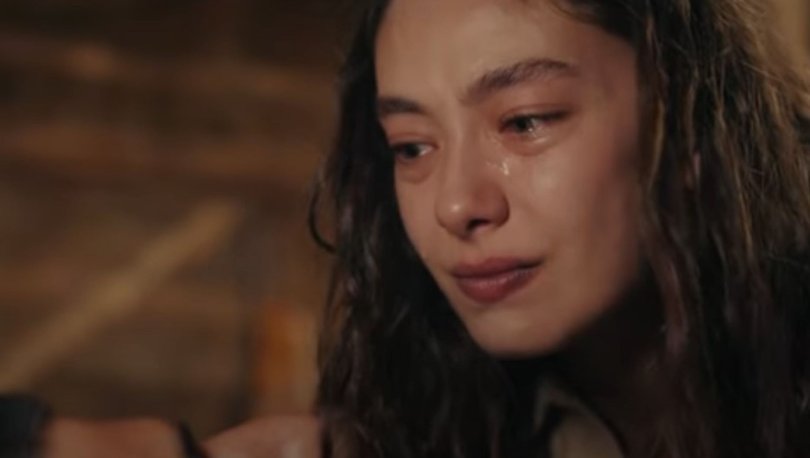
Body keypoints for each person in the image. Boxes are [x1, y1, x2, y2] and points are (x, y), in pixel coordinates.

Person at [309, 0, 810, 457]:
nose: (455, 205)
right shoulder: (414, 424)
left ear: (687, 121)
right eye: (411, 147)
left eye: (526, 122)